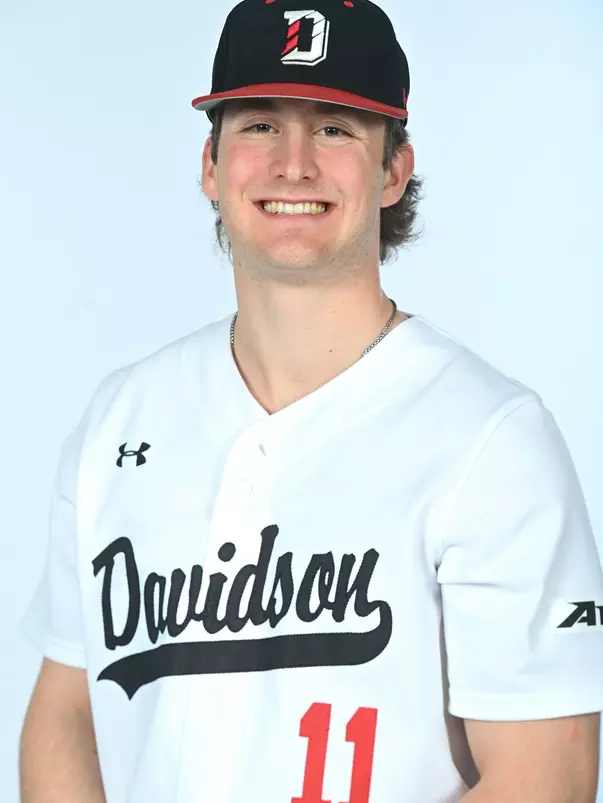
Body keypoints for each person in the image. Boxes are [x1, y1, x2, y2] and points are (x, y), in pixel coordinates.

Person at [19, 0, 603, 801]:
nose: (292, 164)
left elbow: (546, 777)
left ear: (394, 169)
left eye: (334, 128)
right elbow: (66, 710)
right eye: (258, 125)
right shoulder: (120, 419)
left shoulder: (491, 439)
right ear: (210, 165)